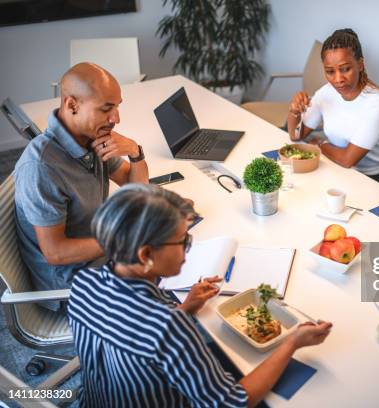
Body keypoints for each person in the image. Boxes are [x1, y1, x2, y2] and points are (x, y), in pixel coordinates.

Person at [68, 184, 333, 407]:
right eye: (183, 241)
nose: (187, 249)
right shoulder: (168, 325)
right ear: (146, 255)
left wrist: (186, 308)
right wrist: (292, 343)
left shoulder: (83, 282)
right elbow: (233, 402)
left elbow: (133, 337)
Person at [14, 63, 149, 310]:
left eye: (117, 107)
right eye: (106, 109)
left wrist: (135, 153)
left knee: (180, 250)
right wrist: (123, 239)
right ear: (72, 105)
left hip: (101, 259)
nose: (116, 119)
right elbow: (56, 253)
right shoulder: (41, 167)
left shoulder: (92, 137)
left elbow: (137, 189)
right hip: (73, 286)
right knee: (171, 289)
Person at [288, 28, 379, 186]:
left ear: (360, 64)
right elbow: (297, 135)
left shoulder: (377, 103)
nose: (338, 79)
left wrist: (320, 144)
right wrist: (295, 111)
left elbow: (347, 159)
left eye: (345, 69)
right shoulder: (326, 92)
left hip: (370, 182)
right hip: (333, 170)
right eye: (330, 71)